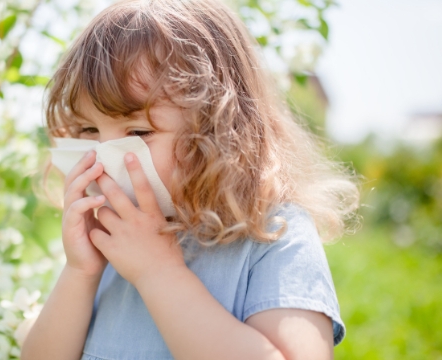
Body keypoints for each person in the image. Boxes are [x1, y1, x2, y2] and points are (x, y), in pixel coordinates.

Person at [22, 0, 359, 359]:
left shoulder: (273, 235)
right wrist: (81, 273)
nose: (106, 156)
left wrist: (157, 271)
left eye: (137, 132)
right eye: (88, 129)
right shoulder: (111, 242)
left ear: (219, 129)